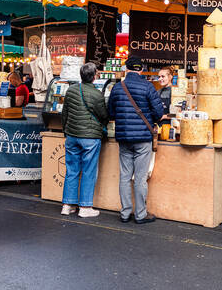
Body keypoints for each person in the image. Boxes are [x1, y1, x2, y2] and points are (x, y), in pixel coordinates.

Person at [108, 56, 165, 224]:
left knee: (125, 176)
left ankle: (125, 212)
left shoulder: (118, 88)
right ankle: (140, 214)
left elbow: (110, 112)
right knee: (140, 178)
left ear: (126, 69)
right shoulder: (148, 87)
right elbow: (158, 113)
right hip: (142, 138)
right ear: (140, 69)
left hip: (124, 137)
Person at [60, 62, 109, 218]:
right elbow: (104, 116)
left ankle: (67, 205)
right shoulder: (97, 94)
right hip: (89, 138)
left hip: (72, 136)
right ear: (94, 76)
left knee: (72, 170)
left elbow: (65, 113)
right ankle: (85, 207)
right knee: (88, 171)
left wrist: (65, 131)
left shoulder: (71, 90)